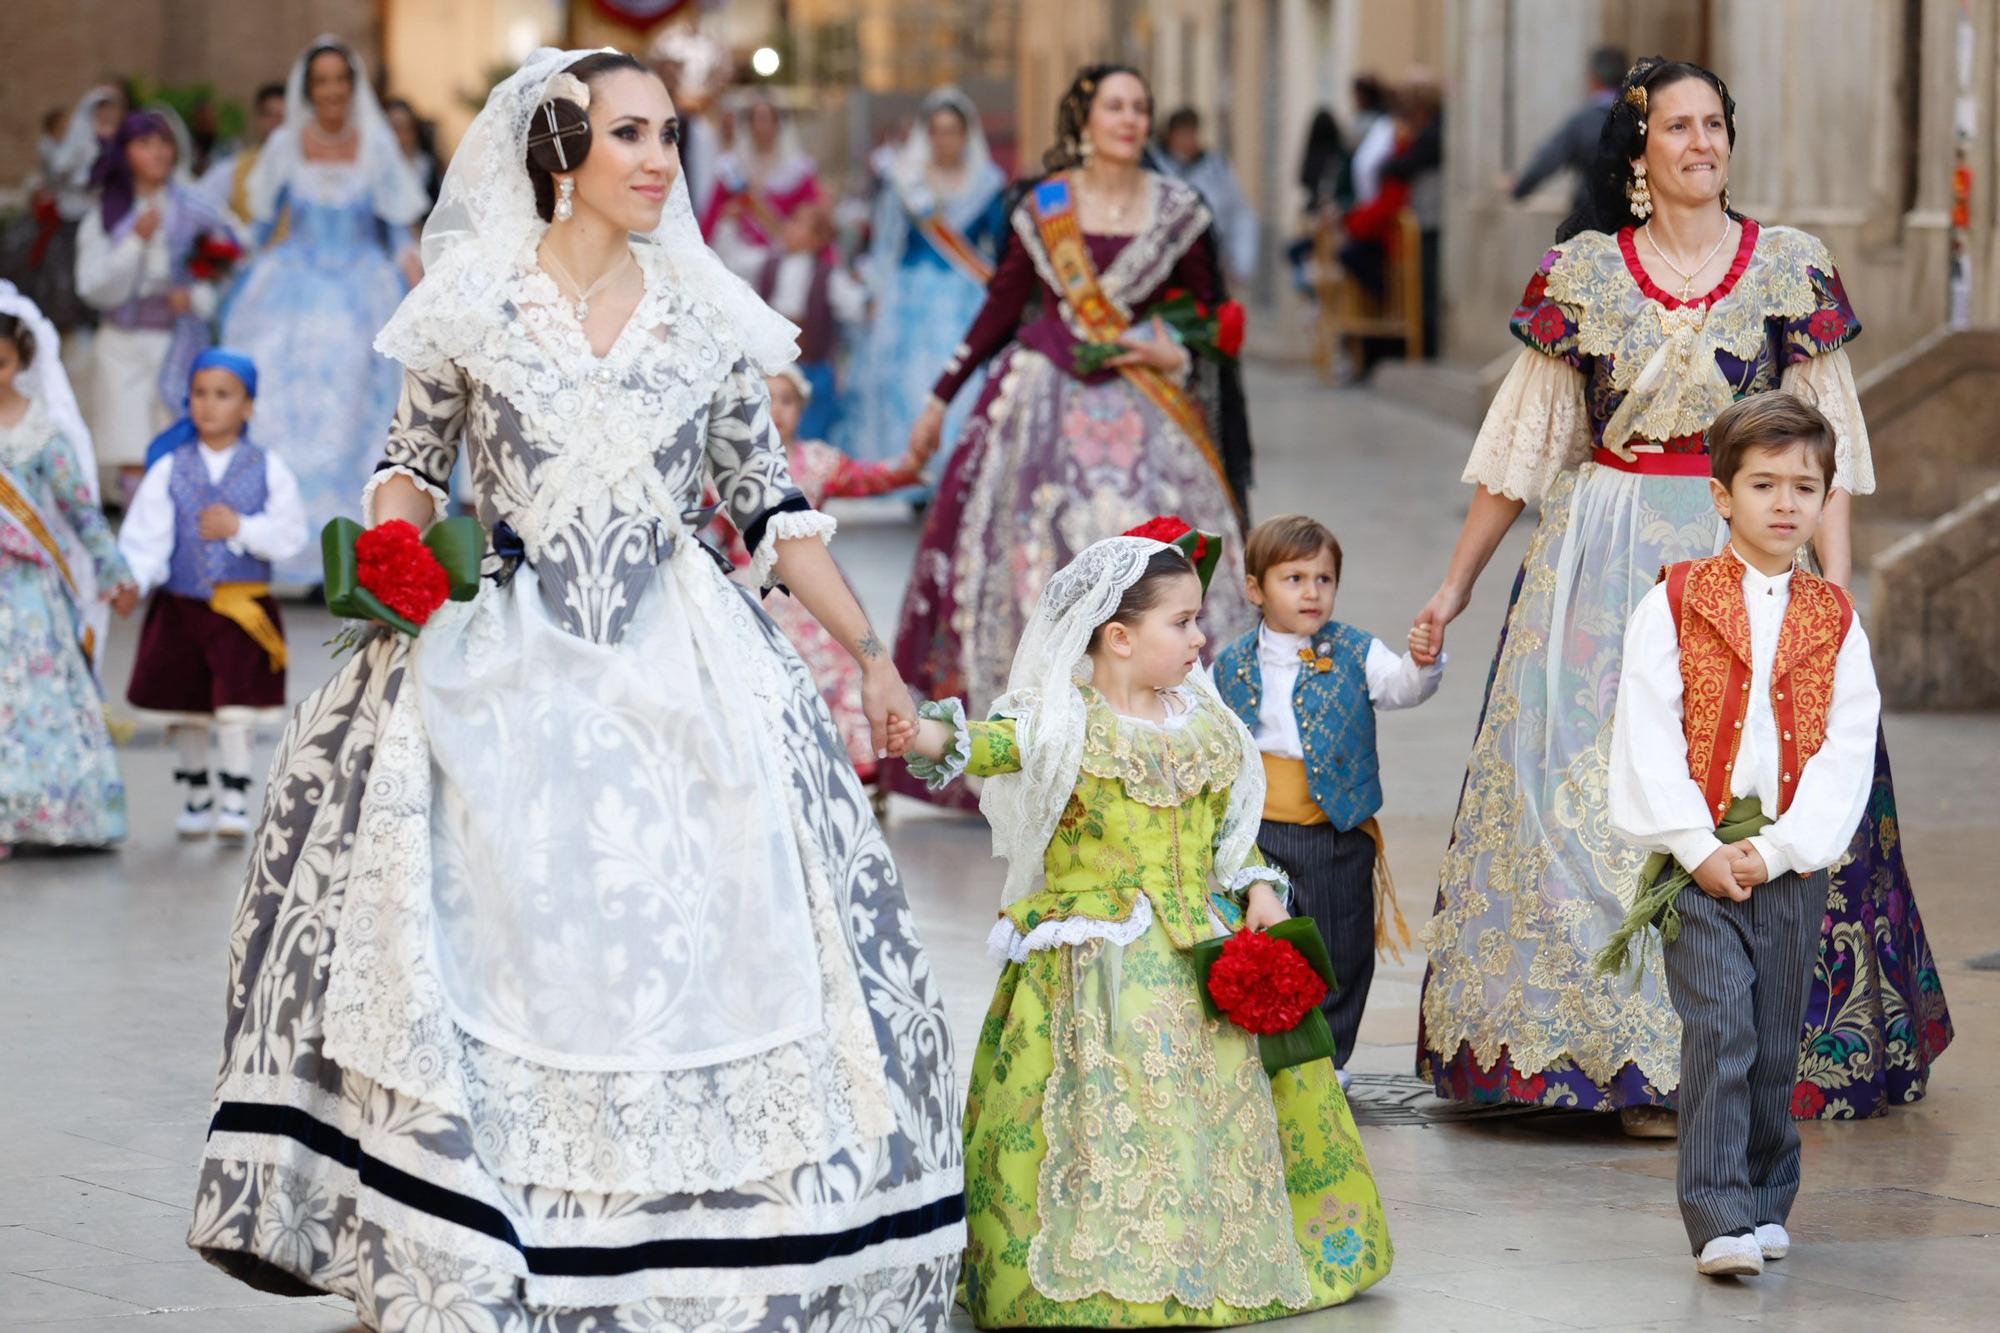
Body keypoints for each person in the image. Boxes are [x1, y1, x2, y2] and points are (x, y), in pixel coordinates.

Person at [185, 49, 965, 1327]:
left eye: (670, 136)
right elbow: (409, 464)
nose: (661, 160)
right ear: (561, 155)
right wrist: (395, 549)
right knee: (504, 929)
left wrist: (872, 656)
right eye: (631, 135)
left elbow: (773, 509)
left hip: (684, 659)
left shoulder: (709, 314)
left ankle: (701, 1244)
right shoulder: (470, 302)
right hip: (504, 650)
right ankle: (484, 1228)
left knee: (705, 930)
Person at [1410, 56, 1950, 1135]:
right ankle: (1613, 1051)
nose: (1700, 143)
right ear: (1638, 151)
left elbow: (1824, 447)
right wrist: (1453, 585)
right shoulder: (1583, 275)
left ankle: (1740, 1049)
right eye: (1678, 128)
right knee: (1580, 787)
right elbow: (1523, 450)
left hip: (1745, 555)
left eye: (1715, 125)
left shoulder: (1789, 268)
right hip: (1599, 563)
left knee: (1744, 780)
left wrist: (1831, 594)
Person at [895, 532, 1393, 1325]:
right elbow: (983, 745)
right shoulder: (1063, 725)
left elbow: (1230, 836)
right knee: (1098, 1113)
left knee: (1212, 1117)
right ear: (1119, 637)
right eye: (1184, 623)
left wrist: (1261, 889)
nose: (1202, 639)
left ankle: (1208, 1254)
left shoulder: (1204, 725)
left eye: (1199, 622)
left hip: (1202, 947)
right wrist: (912, 729)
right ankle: (1107, 1272)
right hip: (1094, 960)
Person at [889, 64, 1257, 807]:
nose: (1129, 118)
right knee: (1035, 567)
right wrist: (940, 396)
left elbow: (1209, 317)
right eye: (1114, 105)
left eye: (1140, 107)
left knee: (1153, 573)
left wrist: (1172, 350)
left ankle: (1168, 742)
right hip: (1042, 412)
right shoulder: (1043, 207)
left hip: (1147, 410)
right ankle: (1037, 752)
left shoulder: (1181, 209)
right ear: (1083, 118)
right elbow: (1001, 309)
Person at [1606, 393, 1879, 1275]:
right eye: (1764, 483)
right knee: (1719, 1026)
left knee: (1772, 1036)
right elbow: (1648, 728)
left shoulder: (1833, 617)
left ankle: (1765, 1197)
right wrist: (1698, 844)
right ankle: (1716, 1213)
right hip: (1702, 858)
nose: (1786, 502)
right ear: (1723, 494)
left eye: (1806, 485)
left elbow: (1847, 741)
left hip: (1789, 859)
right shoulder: (1677, 602)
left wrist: (1787, 846)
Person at [1212, 514, 1443, 1083]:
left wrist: (1422, 661)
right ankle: (1263, 1048)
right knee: (1265, 943)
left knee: (1342, 944)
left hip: (1336, 829)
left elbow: (1401, 688)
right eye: (1293, 578)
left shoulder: (1357, 651)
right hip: (1259, 830)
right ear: (1254, 588)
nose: (1311, 592)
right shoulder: (1230, 662)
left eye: (1324, 579)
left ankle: (1327, 1057)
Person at [222, 36, 428, 587]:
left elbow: (397, 230)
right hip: (292, 293)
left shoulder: (377, 147)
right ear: (308, 89)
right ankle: (287, 552)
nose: (332, 90)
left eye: (341, 79)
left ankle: (356, 555)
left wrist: (421, 282)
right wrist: (226, 266)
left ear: (353, 86)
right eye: (322, 80)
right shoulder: (287, 144)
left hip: (363, 294)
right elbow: (260, 227)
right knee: (280, 407)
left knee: (359, 413)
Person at [118, 348, 304, 841]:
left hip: (241, 610)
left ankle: (237, 798)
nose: (208, 406)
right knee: (189, 707)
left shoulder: (268, 468)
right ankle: (198, 794)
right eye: (199, 394)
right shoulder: (169, 468)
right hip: (182, 609)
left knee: (236, 705)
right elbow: (147, 536)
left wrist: (241, 526)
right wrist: (134, 579)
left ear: (247, 407)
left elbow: (291, 534)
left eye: (223, 395)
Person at [749, 366, 935, 791]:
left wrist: (914, 463)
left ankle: (857, 763)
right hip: (756, 589)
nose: (776, 410)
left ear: (803, 408)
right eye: (765, 398)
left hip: (816, 590)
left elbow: (870, 478)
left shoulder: (817, 461)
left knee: (840, 665)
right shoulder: (723, 469)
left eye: (787, 400)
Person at [0, 289, 138, 858]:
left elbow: (82, 510)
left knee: (35, 697)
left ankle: (43, 810)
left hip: (28, 591)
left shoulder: (41, 431)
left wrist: (114, 570)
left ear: (22, 362)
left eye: (1, 361)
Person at [837, 86, 1008, 477]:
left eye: (953, 130)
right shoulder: (907, 181)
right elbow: (887, 241)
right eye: (938, 130)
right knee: (912, 388)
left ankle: (954, 472)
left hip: (965, 298)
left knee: (962, 387)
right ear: (926, 134)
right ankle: (914, 472)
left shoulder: (987, 182)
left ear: (966, 134)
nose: (946, 139)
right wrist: (876, 293)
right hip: (910, 299)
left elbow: (998, 244)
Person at [75, 110, 234, 503]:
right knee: (132, 453)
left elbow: (232, 261)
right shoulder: (106, 215)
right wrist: (133, 243)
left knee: (176, 451)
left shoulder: (196, 208)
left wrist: (199, 296)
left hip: (177, 342)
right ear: (124, 152)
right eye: (145, 143)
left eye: (163, 142)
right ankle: (138, 553)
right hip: (122, 346)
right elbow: (92, 286)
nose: (158, 152)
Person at [0, 83, 128, 334]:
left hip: (103, 214)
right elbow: (62, 169)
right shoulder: (79, 140)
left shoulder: (117, 139)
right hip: (72, 214)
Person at [753, 200, 865, 440]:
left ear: (819, 238)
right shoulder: (769, 265)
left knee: (812, 428)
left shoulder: (828, 275)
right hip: (774, 368)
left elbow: (853, 307)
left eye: (800, 224)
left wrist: (862, 293)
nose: (790, 227)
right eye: (791, 220)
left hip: (813, 367)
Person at [702, 95, 823, 282]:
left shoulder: (797, 170)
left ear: (778, 123)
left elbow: (815, 219)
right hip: (738, 259)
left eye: (767, 119)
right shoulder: (732, 167)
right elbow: (712, 216)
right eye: (756, 119)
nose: (761, 126)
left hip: (784, 261)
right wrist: (727, 215)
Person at [1508, 45, 1628, 215]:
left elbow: (1547, 160)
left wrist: (1519, 189)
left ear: (1594, 79)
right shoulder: (1644, 117)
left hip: (1591, 214)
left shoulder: (1584, 122)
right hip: (1638, 220)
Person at [1157, 107, 1259, 283]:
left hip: (1211, 262)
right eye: (1183, 134)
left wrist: (1242, 263)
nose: (1188, 140)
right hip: (1166, 266)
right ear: (1171, 136)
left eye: (1192, 133)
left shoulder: (1217, 167)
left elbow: (1239, 213)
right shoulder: (1156, 167)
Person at [196, 82, 286, 222]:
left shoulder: (308, 169)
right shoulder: (234, 169)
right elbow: (198, 206)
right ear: (258, 118)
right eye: (269, 115)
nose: (276, 122)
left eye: (282, 116)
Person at [383, 97, 443, 206]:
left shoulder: (427, 166)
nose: (399, 136)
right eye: (394, 128)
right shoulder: (377, 168)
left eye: (405, 128)